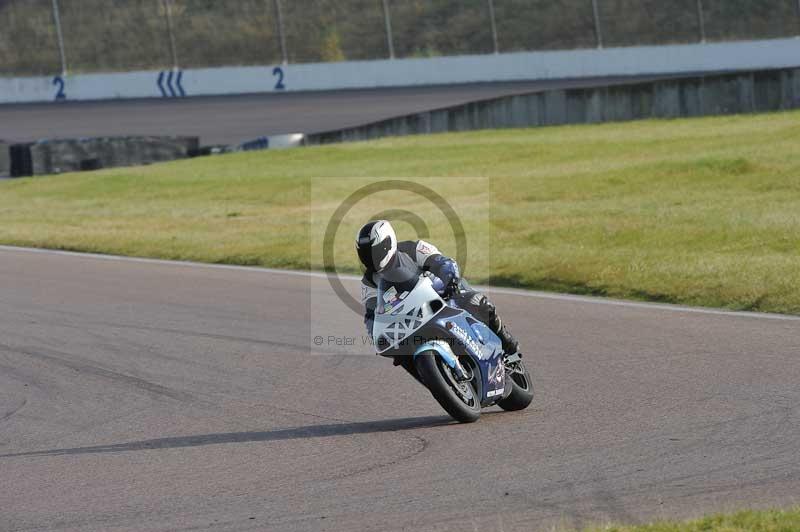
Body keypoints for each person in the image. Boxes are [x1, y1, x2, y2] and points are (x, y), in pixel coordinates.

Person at [356, 220, 520, 378]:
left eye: (373, 252)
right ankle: (437, 379)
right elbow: (372, 315)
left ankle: (510, 349)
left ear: (387, 243)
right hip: (412, 319)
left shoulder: (412, 249)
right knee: (401, 354)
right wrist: (377, 334)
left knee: (478, 302)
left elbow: (443, 262)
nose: (370, 258)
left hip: (444, 296)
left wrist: (450, 280)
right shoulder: (369, 281)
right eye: (365, 254)